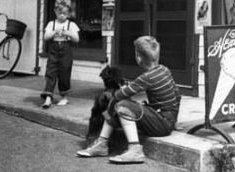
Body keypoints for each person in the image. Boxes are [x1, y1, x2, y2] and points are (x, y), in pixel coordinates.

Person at [77, 35, 180, 164]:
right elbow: (178, 94)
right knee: (126, 104)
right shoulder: (165, 70)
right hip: (166, 120)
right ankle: (102, 144)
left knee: (121, 105)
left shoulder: (146, 77)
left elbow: (118, 96)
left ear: (138, 58)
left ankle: (134, 149)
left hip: (162, 124)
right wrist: (173, 121)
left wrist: (109, 110)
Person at [40, 2, 80, 109]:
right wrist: (54, 31)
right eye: (60, 13)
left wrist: (68, 33)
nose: (62, 15)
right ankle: (48, 97)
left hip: (66, 49)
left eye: (65, 13)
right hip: (54, 48)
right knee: (51, 71)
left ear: (68, 14)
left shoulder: (71, 24)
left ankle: (64, 96)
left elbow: (76, 39)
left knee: (64, 72)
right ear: (55, 12)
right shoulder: (51, 24)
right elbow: (46, 37)